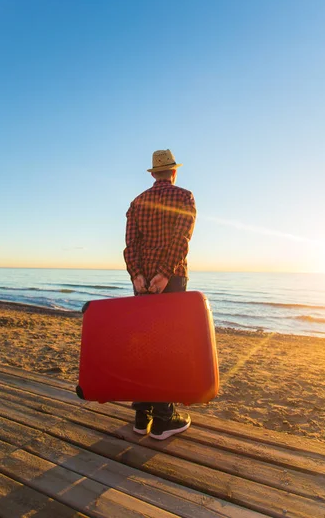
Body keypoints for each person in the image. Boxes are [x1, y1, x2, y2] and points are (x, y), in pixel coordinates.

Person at [123, 149, 197, 440]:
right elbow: (181, 239)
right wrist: (165, 274)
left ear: (153, 174)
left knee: (144, 341)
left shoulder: (137, 202)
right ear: (174, 172)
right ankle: (164, 418)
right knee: (167, 344)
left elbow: (131, 244)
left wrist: (137, 274)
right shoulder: (185, 197)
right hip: (173, 278)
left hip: (141, 281)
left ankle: (142, 416)